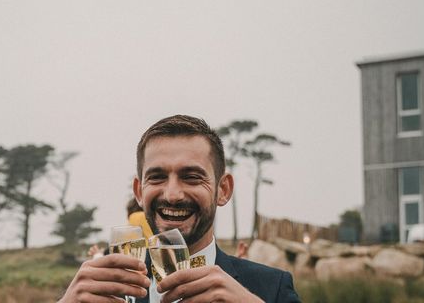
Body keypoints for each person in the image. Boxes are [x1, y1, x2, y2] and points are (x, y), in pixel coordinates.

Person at [58, 115, 300, 303]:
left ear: (223, 190)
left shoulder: (272, 288)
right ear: (139, 192)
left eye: (192, 177)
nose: (172, 195)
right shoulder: (97, 290)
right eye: (157, 177)